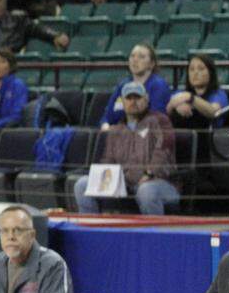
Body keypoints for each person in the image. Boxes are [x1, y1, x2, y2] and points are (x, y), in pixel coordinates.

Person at [76, 82, 177, 214]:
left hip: (160, 182)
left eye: (137, 97)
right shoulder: (116, 129)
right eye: (129, 98)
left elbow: (164, 150)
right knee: (82, 184)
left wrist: (149, 173)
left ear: (146, 99)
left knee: (146, 190)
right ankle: (91, 226)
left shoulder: (160, 120)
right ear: (122, 102)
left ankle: (154, 228)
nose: (133, 102)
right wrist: (105, 179)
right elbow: (108, 160)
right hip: (125, 185)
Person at [168, 53, 226, 167]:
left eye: (201, 69)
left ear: (210, 72)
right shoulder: (180, 93)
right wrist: (176, 106)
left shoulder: (218, 94)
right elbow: (167, 111)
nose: (195, 73)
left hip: (207, 145)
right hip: (180, 145)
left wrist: (191, 98)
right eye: (191, 69)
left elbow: (213, 112)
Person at [99, 43, 171, 128]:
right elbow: (107, 117)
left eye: (141, 57)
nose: (135, 60)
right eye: (132, 56)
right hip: (119, 132)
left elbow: (156, 118)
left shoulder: (158, 85)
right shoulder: (123, 85)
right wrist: (105, 127)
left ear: (151, 63)